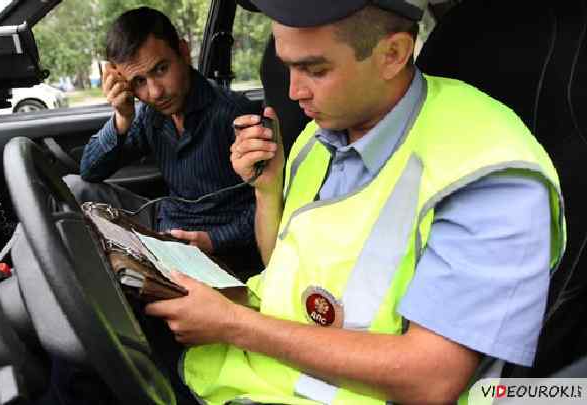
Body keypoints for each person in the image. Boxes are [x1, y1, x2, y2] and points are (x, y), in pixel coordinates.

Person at [145, 0, 566, 404]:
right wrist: (267, 191)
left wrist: (233, 325)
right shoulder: (320, 136)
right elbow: (287, 270)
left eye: (315, 70)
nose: (294, 92)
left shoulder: (488, 172)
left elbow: (432, 378)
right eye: (287, 65)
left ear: (393, 55)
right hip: (240, 375)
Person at [65, 6, 262, 277]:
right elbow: (90, 171)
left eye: (161, 69)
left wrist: (214, 239)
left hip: (217, 250)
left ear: (183, 52)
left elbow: (270, 203)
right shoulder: (151, 116)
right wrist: (122, 118)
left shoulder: (235, 114)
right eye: (138, 81)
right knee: (75, 187)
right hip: (164, 229)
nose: (155, 92)